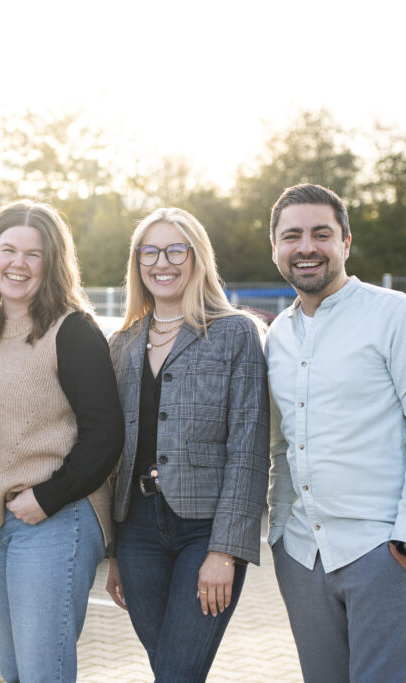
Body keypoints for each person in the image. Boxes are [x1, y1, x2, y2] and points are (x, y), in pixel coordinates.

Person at [265, 183, 406, 682]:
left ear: (345, 243)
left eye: (321, 233)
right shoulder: (277, 337)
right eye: (292, 236)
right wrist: (280, 533)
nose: (306, 247)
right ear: (276, 248)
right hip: (303, 554)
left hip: (383, 550)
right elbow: (282, 445)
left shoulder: (399, 317)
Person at [0, 200, 123, 682]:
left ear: (52, 263)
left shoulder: (72, 330)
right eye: (8, 250)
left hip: (56, 517)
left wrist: (47, 498)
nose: (19, 263)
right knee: (15, 672)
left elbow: (106, 433)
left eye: (34, 254)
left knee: (41, 673)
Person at [103, 207, 269, 681]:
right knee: (168, 671)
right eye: (150, 251)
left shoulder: (234, 332)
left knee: (178, 673)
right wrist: (113, 553)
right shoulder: (122, 343)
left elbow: (249, 449)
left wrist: (226, 551)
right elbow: (114, 455)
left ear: (197, 258)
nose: (163, 262)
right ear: (137, 261)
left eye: (176, 250)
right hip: (136, 532)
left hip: (205, 532)